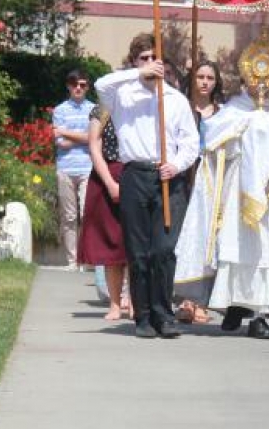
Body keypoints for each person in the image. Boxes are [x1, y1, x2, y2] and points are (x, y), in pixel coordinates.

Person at [94, 33, 199, 339]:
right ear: (134, 62)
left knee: (163, 250)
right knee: (138, 251)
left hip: (168, 178)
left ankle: (163, 314)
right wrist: (137, 74)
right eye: (144, 58)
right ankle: (142, 315)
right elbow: (100, 85)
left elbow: (191, 143)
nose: (151, 64)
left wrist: (176, 165)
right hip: (135, 175)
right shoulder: (123, 95)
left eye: (156, 59)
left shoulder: (176, 100)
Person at [203, 78, 269, 339]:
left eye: (268, 81)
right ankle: (234, 304)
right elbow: (213, 137)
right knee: (236, 245)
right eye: (257, 81)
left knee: (265, 250)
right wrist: (239, 128)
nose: (262, 87)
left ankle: (260, 314)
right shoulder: (237, 107)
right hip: (238, 188)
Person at [174, 61, 224, 325]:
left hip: (211, 182)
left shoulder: (222, 112)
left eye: (210, 78)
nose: (205, 82)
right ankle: (184, 299)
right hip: (184, 177)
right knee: (186, 239)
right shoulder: (181, 108)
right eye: (200, 77)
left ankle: (201, 301)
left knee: (207, 241)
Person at [77, 100, 129, 320]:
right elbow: (94, 147)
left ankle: (136, 302)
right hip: (106, 174)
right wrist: (110, 183)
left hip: (135, 174)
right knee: (112, 245)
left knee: (134, 244)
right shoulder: (101, 110)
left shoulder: (140, 108)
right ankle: (115, 304)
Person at [53, 69, 96, 271]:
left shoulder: (94, 109)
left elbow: (93, 139)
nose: (78, 88)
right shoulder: (60, 110)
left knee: (87, 214)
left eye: (82, 84)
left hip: (88, 167)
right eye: (74, 84)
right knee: (69, 216)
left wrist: (65, 132)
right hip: (65, 168)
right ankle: (72, 261)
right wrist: (82, 136)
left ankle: (86, 259)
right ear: (68, 86)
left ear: (87, 87)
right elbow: (61, 143)